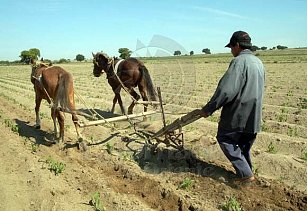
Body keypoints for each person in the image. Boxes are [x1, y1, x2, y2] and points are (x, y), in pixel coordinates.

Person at [195, 31, 265, 184]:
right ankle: (246, 173)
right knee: (244, 146)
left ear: (237, 46)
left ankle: (246, 175)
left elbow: (226, 90)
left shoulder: (239, 62)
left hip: (238, 114)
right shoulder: (258, 62)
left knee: (225, 139)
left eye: (231, 47)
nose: (231, 51)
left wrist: (209, 108)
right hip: (254, 115)